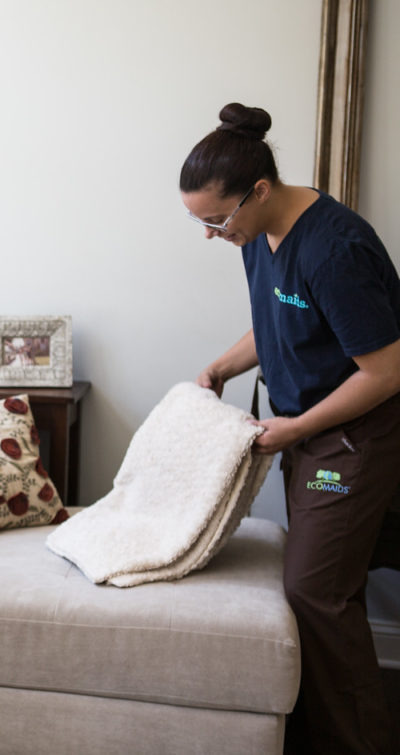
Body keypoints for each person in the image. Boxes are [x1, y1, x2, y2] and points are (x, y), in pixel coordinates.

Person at [181, 103, 400, 754]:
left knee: (316, 592)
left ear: (260, 191)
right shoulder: (258, 237)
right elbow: (277, 323)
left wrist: (296, 425)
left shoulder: (336, 249)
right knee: (324, 586)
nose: (213, 234)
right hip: (304, 428)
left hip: (351, 436)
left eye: (217, 219)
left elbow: (385, 371)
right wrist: (222, 364)